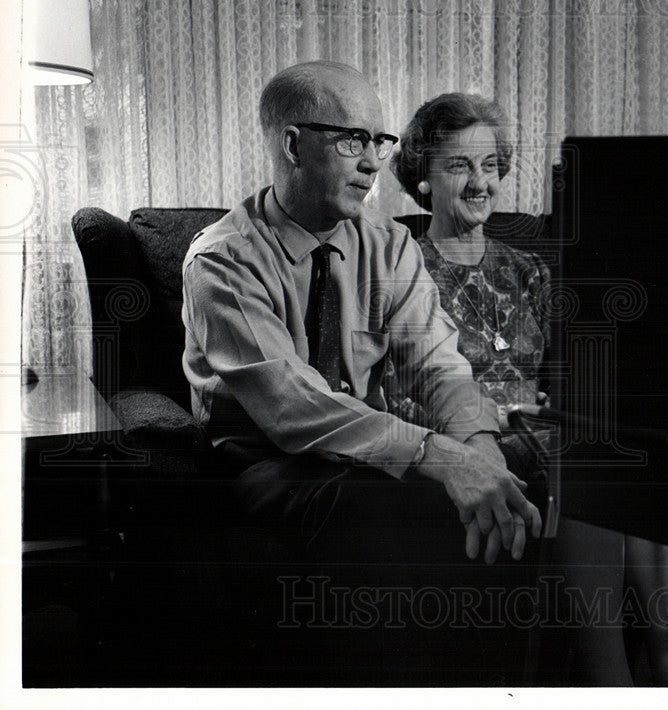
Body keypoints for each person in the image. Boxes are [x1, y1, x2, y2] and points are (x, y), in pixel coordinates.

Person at [180, 63, 543, 681]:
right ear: (293, 144)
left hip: (369, 448)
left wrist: (481, 450)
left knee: (515, 474)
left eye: (379, 141)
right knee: (375, 503)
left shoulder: (389, 245)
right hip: (267, 460)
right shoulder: (223, 259)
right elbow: (297, 408)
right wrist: (441, 456)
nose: (374, 163)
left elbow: (438, 366)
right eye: (353, 139)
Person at [390, 92, 668, 686]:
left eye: (489, 165)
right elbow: (397, 386)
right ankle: (613, 686)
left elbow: (569, 372)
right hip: (472, 437)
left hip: (546, 428)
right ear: (423, 180)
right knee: (590, 463)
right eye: (459, 166)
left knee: (647, 457)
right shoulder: (402, 266)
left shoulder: (529, 267)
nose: (480, 182)